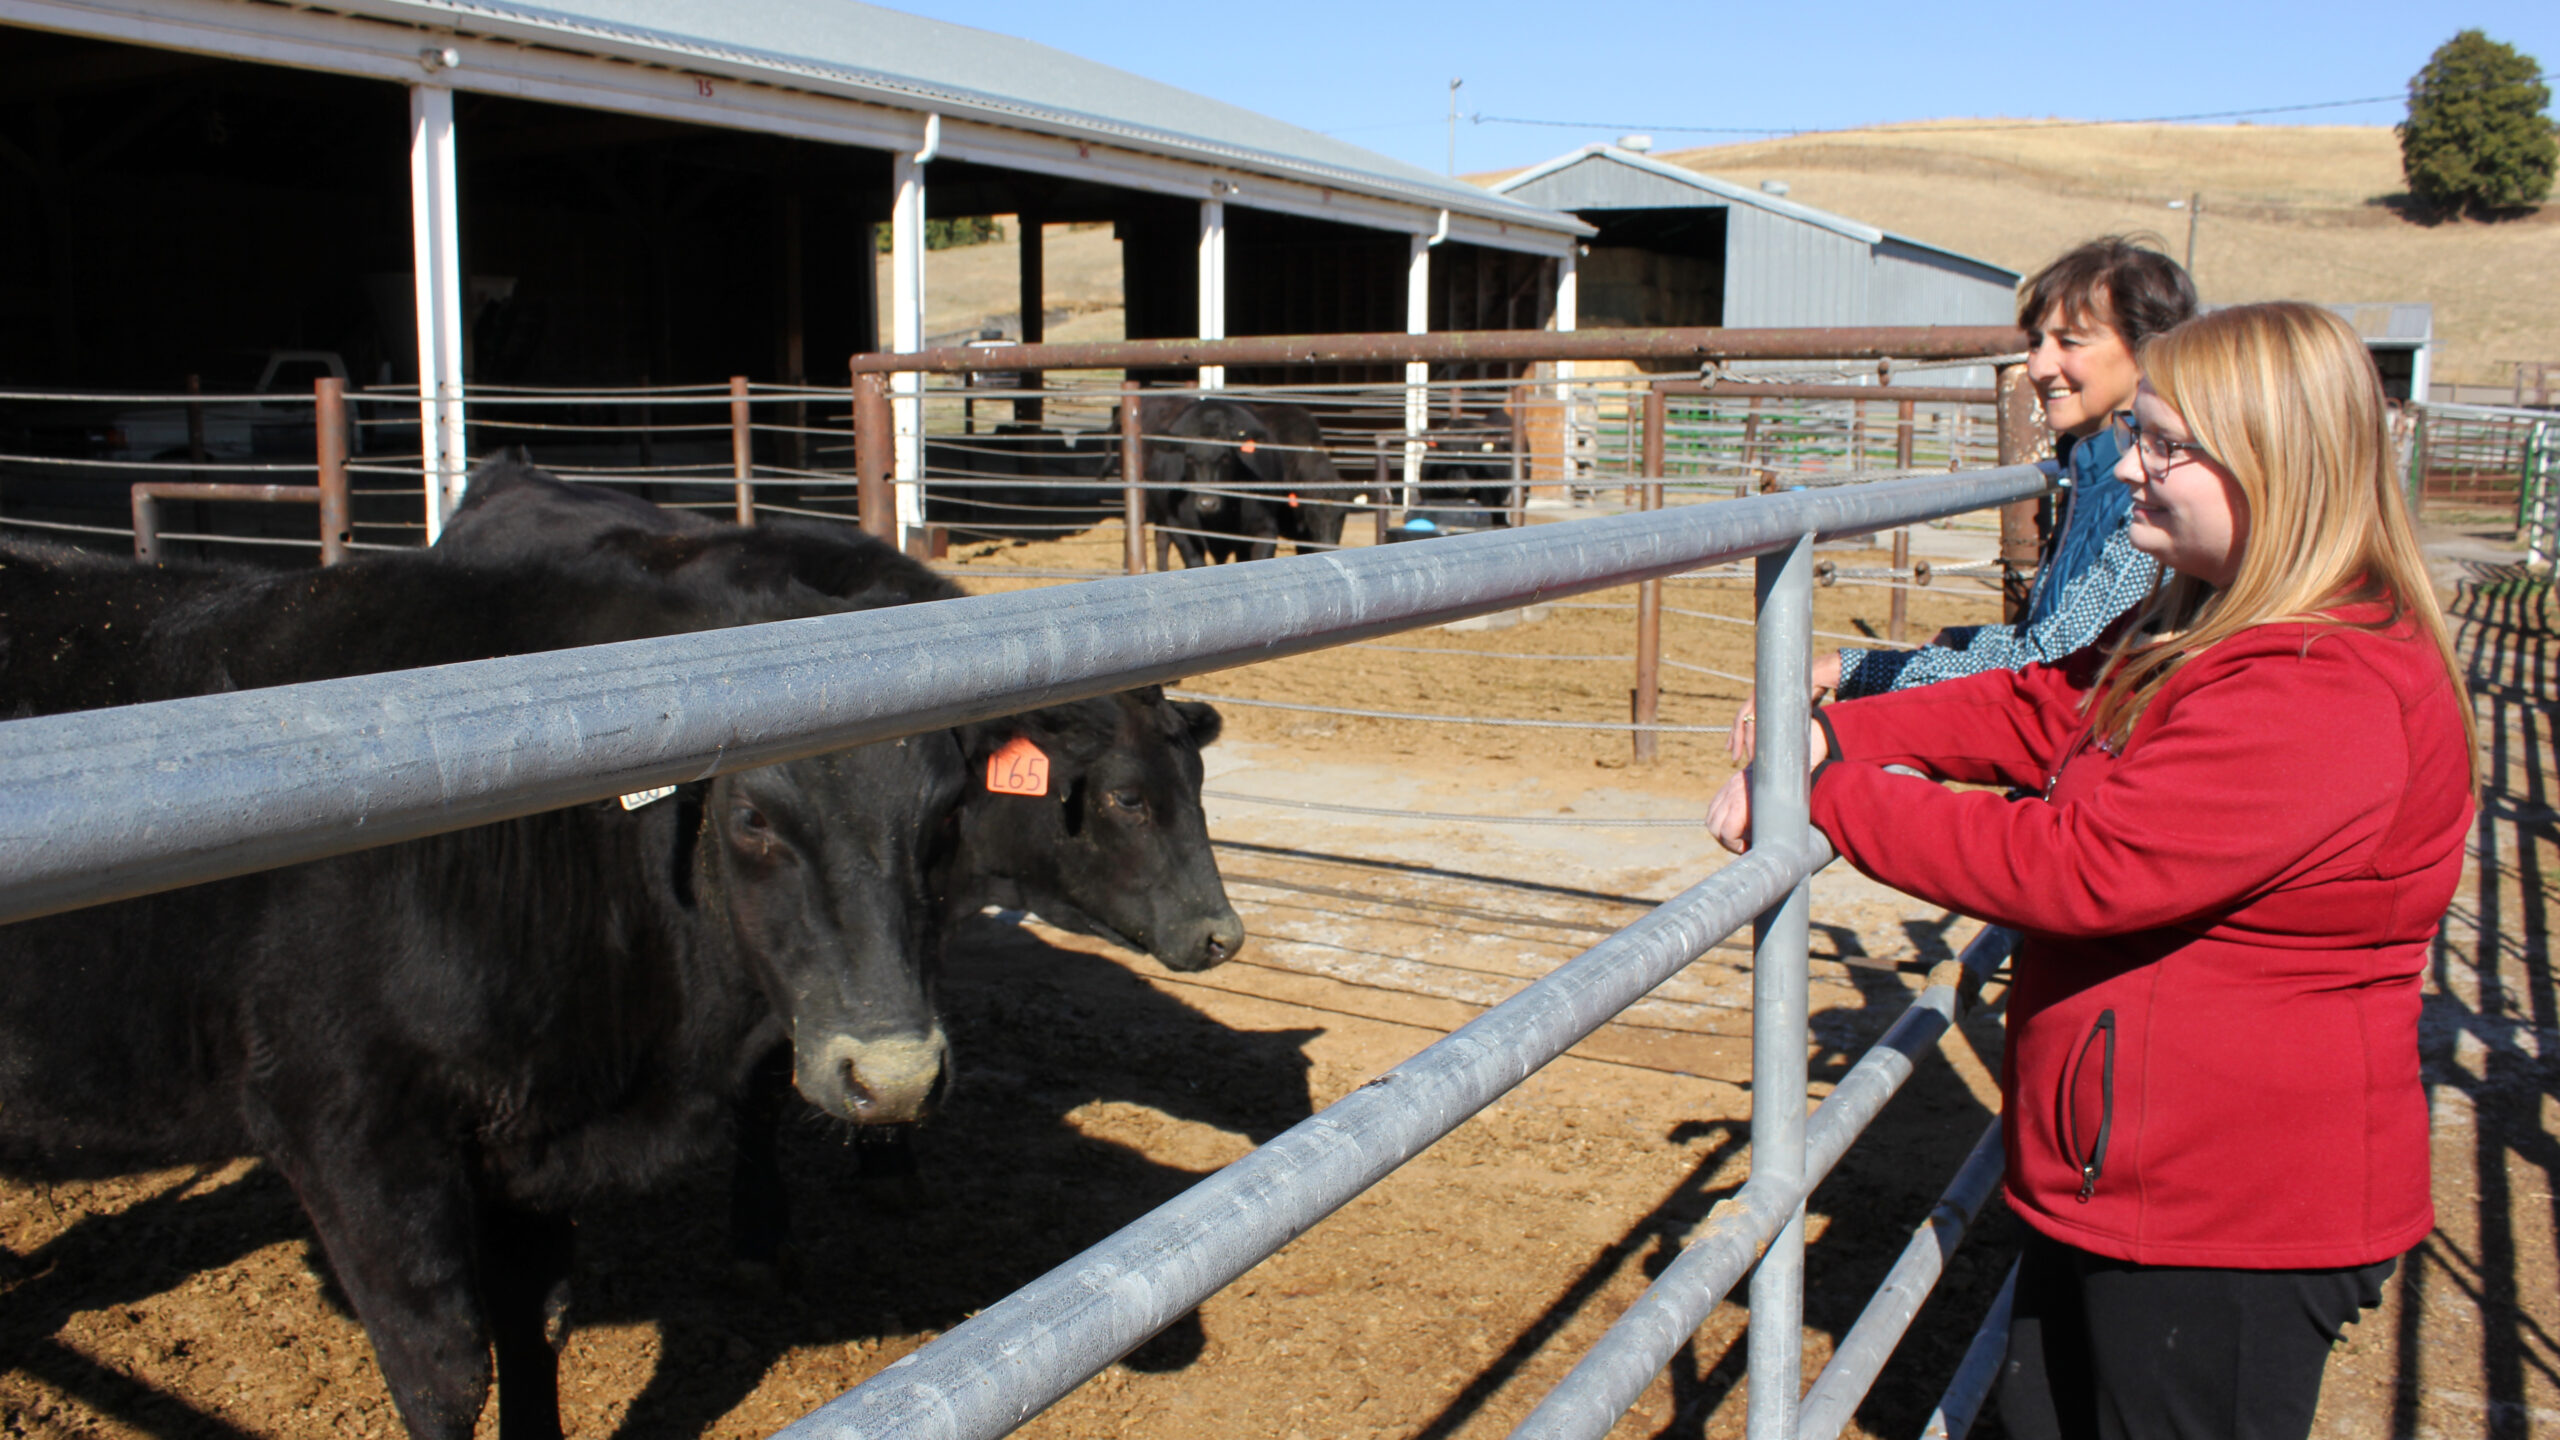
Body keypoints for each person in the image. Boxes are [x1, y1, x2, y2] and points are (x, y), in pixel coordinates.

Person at [1709, 302, 2474, 1438]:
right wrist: (1846, 726)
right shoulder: (2219, 622)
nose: (2126, 465)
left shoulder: (2318, 683)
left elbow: (2079, 866)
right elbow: (2047, 705)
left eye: (2165, 445)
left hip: (2224, 1214)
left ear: (2274, 465)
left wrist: (1822, 796)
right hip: (2144, 1180)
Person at [1731, 238, 2196, 761]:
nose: (2039, 366)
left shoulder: (2152, 492)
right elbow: (2054, 643)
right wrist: (1958, 640)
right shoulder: (2091, 469)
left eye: (2070, 342)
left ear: (2146, 350)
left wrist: (1854, 669)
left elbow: (2053, 666)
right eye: (2037, 341)